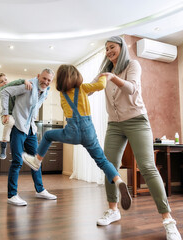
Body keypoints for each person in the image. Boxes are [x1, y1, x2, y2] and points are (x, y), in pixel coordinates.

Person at [92, 36, 181, 240]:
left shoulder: (133, 65)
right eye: (106, 49)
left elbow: (131, 88)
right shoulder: (104, 72)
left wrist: (112, 77)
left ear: (121, 47)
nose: (108, 51)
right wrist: (73, 87)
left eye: (112, 47)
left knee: (147, 167)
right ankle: (113, 210)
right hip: (114, 124)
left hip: (136, 120)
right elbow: (89, 88)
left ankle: (168, 221)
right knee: (109, 165)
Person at [23, 64, 132, 211]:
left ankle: (37, 161)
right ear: (77, 76)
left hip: (72, 132)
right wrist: (105, 77)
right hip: (89, 132)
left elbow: (68, 110)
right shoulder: (83, 88)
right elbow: (100, 86)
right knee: (102, 160)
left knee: (48, 135)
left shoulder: (62, 95)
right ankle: (118, 181)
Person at [0, 68, 57, 206]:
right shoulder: (27, 86)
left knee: (36, 161)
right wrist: (5, 112)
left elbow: (34, 107)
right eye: (44, 78)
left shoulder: (45, 91)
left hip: (31, 129)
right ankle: (12, 195)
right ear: (38, 76)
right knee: (17, 161)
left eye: (49, 80)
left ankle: (40, 190)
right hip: (18, 127)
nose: (46, 82)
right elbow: (4, 92)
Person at [0, 73, 32, 160]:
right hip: (6, 114)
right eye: (1, 82)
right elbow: (14, 83)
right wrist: (23, 80)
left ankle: (24, 145)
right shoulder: (1, 90)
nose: (4, 82)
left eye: (5, 80)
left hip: (15, 114)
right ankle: (3, 147)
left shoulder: (13, 90)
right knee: (10, 122)